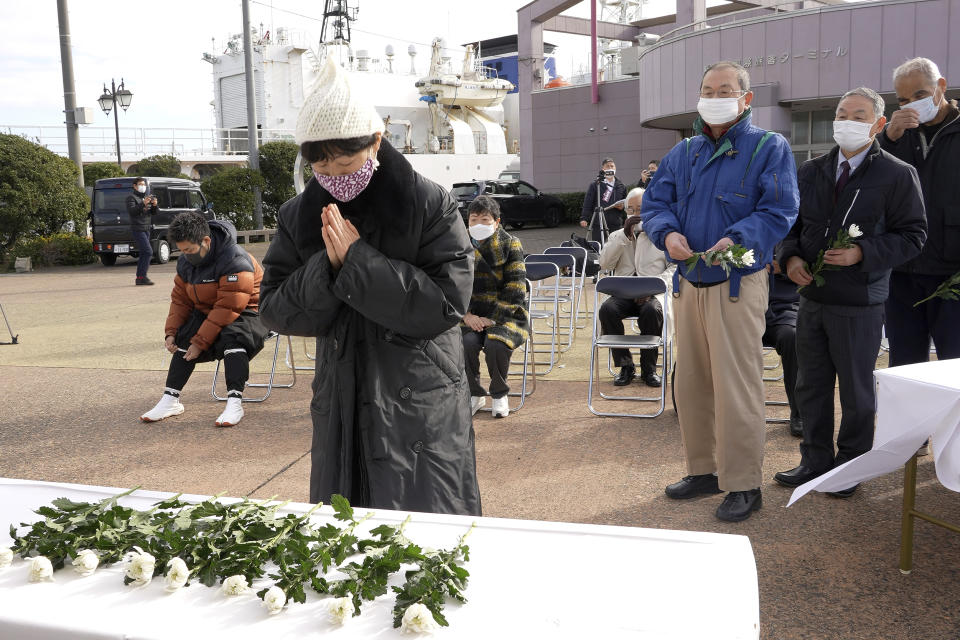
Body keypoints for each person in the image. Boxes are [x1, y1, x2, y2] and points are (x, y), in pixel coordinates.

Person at [258, 57, 482, 516]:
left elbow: (445, 306)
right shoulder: (298, 215)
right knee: (346, 532)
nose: (335, 177)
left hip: (420, 395)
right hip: (341, 392)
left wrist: (357, 262)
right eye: (321, 166)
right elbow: (275, 309)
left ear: (376, 142)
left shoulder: (428, 202)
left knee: (429, 532)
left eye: (345, 161)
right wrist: (329, 267)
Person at [641, 61, 799, 522]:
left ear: (746, 98)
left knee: (737, 387)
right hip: (688, 282)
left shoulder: (769, 146)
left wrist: (738, 237)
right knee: (691, 383)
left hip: (735, 281)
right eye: (707, 88)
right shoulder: (683, 151)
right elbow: (655, 203)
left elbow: (780, 210)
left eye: (725, 89)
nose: (714, 96)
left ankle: (744, 482)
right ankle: (704, 470)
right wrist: (666, 234)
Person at [774, 87, 926, 498]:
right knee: (811, 384)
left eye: (858, 115)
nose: (847, 121)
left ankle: (850, 465)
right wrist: (790, 259)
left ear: (878, 124)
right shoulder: (810, 170)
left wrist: (864, 252)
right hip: (812, 298)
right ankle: (814, 459)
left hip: (860, 301)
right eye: (842, 113)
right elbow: (790, 226)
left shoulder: (896, 173)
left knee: (857, 390)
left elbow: (914, 236)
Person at [140, 212, 269, 428]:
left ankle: (235, 402)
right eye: (181, 251)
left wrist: (200, 343)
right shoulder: (185, 263)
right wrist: (171, 331)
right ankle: (170, 399)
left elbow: (229, 307)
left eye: (189, 250)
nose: (185, 255)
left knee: (233, 338)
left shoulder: (235, 260)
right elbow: (180, 301)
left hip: (250, 310)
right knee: (184, 336)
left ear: (206, 241)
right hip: (211, 310)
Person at [877, 58, 960, 367]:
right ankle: (908, 419)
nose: (911, 105)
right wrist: (888, 139)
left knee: (954, 367)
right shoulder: (896, 136)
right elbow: (869, 179)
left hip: (953, 271)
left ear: (941, 86)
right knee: (904, 366)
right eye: (903, 100)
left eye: (920, 95)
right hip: (902, 271)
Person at [461, 195, 529, 419]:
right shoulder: (458, 244)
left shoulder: (511, 244)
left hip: (507, 314)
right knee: (466, 342)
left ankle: (500, 393)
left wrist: (493, 319)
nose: (478, 225)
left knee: (496, 344)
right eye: (473, 220)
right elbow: (451, 284)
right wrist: (466, 315)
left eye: (485, 220)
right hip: (471, 314)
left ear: (497, 222)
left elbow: (516, 288)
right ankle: (474, 393)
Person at [597, 188, 673, 387]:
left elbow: (674, 268)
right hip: (624, 293)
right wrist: (624, 236)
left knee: (651, 311)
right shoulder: (617, 236)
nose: (635, 213)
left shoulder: (661, 234)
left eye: (640, 208)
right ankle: (625, 365)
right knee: (607, 309)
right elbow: (605, 264)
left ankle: (649, 368)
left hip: (652, 294)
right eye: (630, 209)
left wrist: (654, 288)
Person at [763, 260, 802, 437]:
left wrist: (786, 265)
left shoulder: (795, 233)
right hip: (743, 304)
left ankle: (799, 413)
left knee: (792, 337)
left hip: (787, 307)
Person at [579, 157, 627, 244]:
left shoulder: (621, 186)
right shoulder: (596, 184)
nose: (610, 168)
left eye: (612, 166)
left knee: (616, 246)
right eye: (607, 166)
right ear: (603, 169)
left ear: (615, 168)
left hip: (615, 222)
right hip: (599, 222)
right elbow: (588, 202)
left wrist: (623, 207)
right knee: (598, 246)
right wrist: (584, 218)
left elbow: (626, 202)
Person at [126, 177, 158, 286]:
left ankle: (140, 278)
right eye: (140, 184)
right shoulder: (131, 198)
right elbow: (132, 211)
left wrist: (154, 205)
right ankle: (142, 276)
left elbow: (153, 213)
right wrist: (143, 203)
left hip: (146, 229)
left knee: (144, 253)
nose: (142, 186)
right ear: (134, 186)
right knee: (148, 251)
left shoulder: (146, 197)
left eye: (144, 184)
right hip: (137, 229)